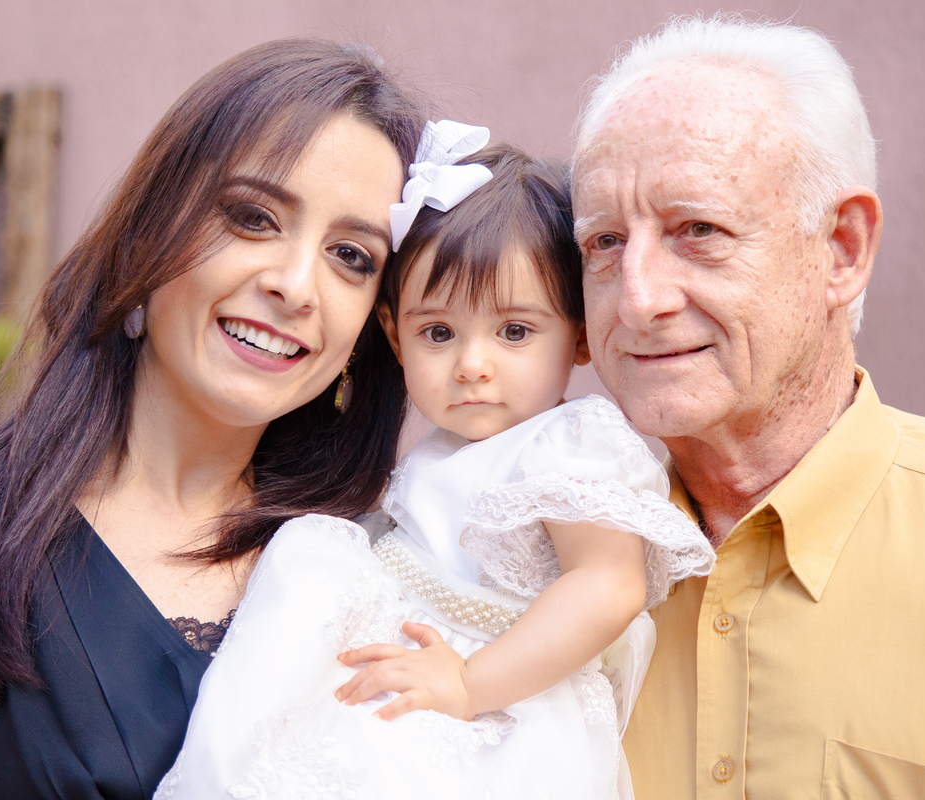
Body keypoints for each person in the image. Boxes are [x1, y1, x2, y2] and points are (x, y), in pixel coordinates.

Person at [0, 39, 426, 798]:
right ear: (150, 231)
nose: (297, 287)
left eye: (352, 256)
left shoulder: (378, 574)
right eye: (254, 217)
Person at [571, 14, 925, 799]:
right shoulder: (533, 565)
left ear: (843, 249)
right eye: (602, 242)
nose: (637, 299)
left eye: (698, 230)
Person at [154, 129, 715, 800]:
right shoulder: (446, 452)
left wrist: (472, 683)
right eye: (439, 333)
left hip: (503, 702)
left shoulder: (570, 444)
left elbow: (608, 585)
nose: (472, 364)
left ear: (582, 335)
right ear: (395, 335)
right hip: (415, 669)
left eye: (514, 331)